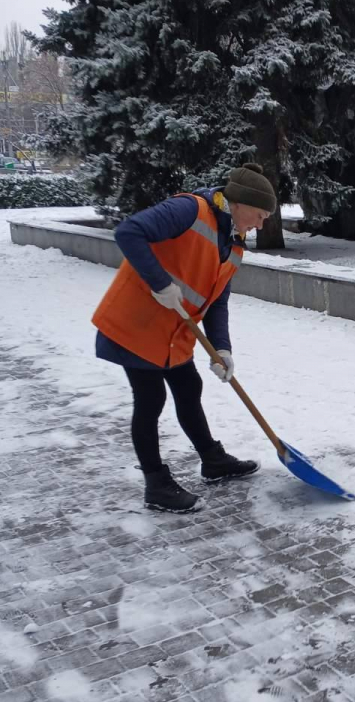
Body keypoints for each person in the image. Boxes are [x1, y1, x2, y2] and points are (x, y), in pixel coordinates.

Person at [92, 162, 277, 513]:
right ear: (238, 202)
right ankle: (156, 483)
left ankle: (213, 460)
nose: (260, 224)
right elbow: (129, 232)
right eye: (259, 214)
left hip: (174, 332)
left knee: (189, 387)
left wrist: (222, 347)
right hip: (138, 322)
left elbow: (217, 299)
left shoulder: (234, 244)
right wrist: (159, 282)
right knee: (150, 398)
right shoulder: (190, 209)